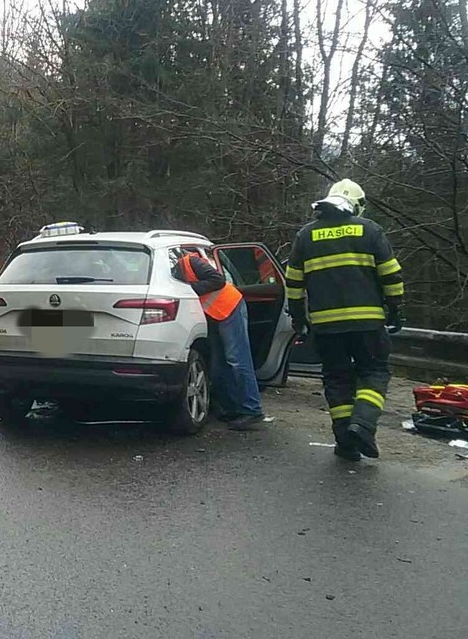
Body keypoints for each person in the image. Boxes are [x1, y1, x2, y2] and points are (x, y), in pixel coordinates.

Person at [286, 179, 404, 461]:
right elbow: (391, 275)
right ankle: (362, 425)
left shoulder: (306, 235)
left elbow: (293, 282)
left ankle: (345, 442)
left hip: (327, 327)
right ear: (357, 205)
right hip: (368, 323)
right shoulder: (370, 230)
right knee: (374, 372)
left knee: (336, 378)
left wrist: (299, 319)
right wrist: (396, 309)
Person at [172, 249, 265, 430]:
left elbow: (218, 280)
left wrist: (190, 289)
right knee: (219, 364)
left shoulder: (191, 262)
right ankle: (233, 408)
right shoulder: (178, 270)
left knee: (237, 360)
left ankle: (252, 409)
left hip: (229, 308)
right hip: (215, 314)